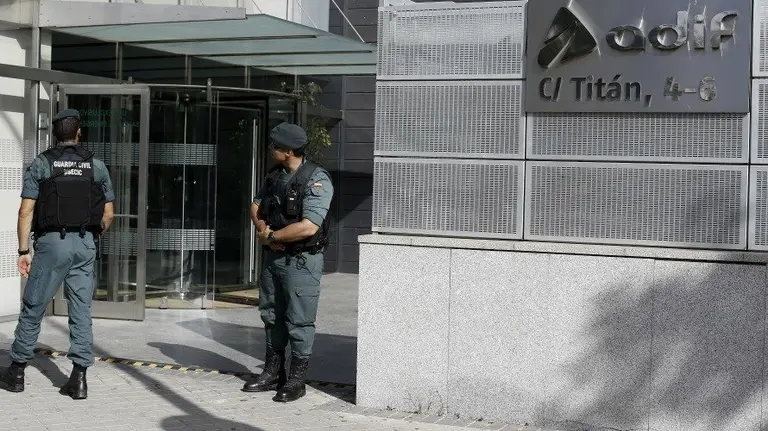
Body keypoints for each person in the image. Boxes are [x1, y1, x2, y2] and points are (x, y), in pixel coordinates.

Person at [0, 109, 115, 400]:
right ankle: (79, 378)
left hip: (52, 243)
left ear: (55, 135)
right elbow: (109, 214)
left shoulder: (42, 163)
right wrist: (91, 235)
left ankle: (15, 372)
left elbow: (26, 211)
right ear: (79, 133)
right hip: (85, 243)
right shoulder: (96, 166)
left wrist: (23, 250)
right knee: (80, 310)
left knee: (34, 305)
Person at [242, 122, 334, 403]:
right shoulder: (275, 176)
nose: (270, 149)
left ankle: (296, 380)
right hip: (275, 258)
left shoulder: (317, 179)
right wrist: (266, 233)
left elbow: (309, 227)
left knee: (299, 320)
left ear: (289, 150)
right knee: (271, 315)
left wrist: (272, 235)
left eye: (274, 146)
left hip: (301, 261)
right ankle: (273, 372)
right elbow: (256, 206)